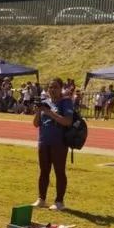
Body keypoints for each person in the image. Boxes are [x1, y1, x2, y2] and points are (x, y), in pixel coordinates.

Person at [31, 78, 74, 211]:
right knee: (44, 171)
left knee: (59, 172)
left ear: (61, 88)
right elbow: (36, 124)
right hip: (44, 141)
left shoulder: (65, 103)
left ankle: (59, 202)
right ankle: (41, 199)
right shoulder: (44, 102)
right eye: (50, 87)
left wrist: (49, 111)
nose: (52, 90)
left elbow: (67, 121)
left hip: (59, 143)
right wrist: (39, 111)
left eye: (55, 87)